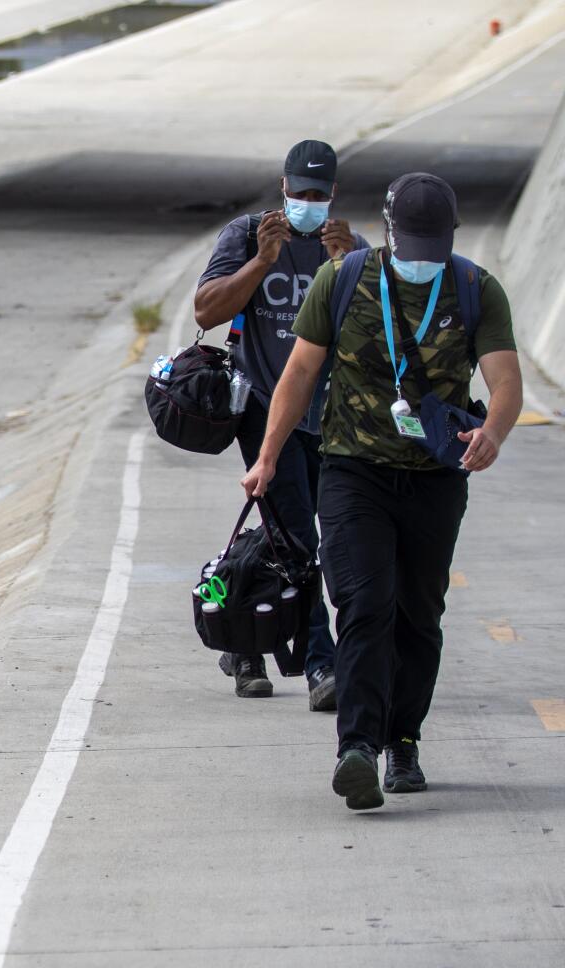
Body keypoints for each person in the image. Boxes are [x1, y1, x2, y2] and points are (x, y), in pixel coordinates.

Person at [242, 172, 522, 810]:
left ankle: (403, 739)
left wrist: (495, 434)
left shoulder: (477, 289)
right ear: (389, 233)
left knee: (418, 617)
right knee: (365, 605)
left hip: (436, 480)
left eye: (433, 247)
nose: (421, 259)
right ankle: (357, 748)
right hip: (352, 471)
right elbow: (301, 372)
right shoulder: (341, 281)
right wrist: (267, 456)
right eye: (411, 245)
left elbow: (505, 380)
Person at [195, 139, 366, 708]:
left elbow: (376, 336)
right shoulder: (248, 235)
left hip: (332, 420)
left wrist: (345, 268)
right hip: (266, 411)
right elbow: (206, 310)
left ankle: (242, 637)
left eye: (320, 194)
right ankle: (321, 663)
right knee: (298, 535)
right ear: (283, 187)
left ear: (333, 193)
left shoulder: (349, 247)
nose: (309, 203)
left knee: (302, 537)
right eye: (301, 192)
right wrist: (262, 263)